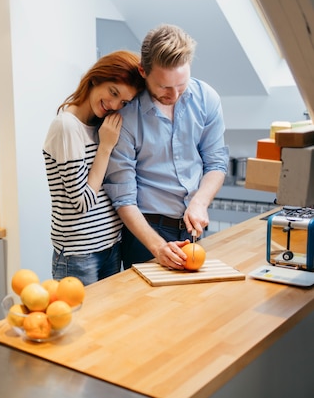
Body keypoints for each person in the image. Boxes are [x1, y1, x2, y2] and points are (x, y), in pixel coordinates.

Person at [104, 24, 229, 270]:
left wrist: (200, 202)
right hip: (145, 234)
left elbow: (216, 164)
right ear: (143, 71)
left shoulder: (207, 99)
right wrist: (158, 247)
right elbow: (124, 198)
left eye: (181, 85)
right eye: (164, 87)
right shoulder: (126, 116)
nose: (174, 95)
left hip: (192, 229)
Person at [43, 50, 145, 285]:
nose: (114, 104)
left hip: (111, 247)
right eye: (113, 92)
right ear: (97, 77)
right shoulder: (67, 126)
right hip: (79, 255)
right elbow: (83, 202)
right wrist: (106, 147)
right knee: (79, 321)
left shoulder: (102, 126)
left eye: (123, 102)